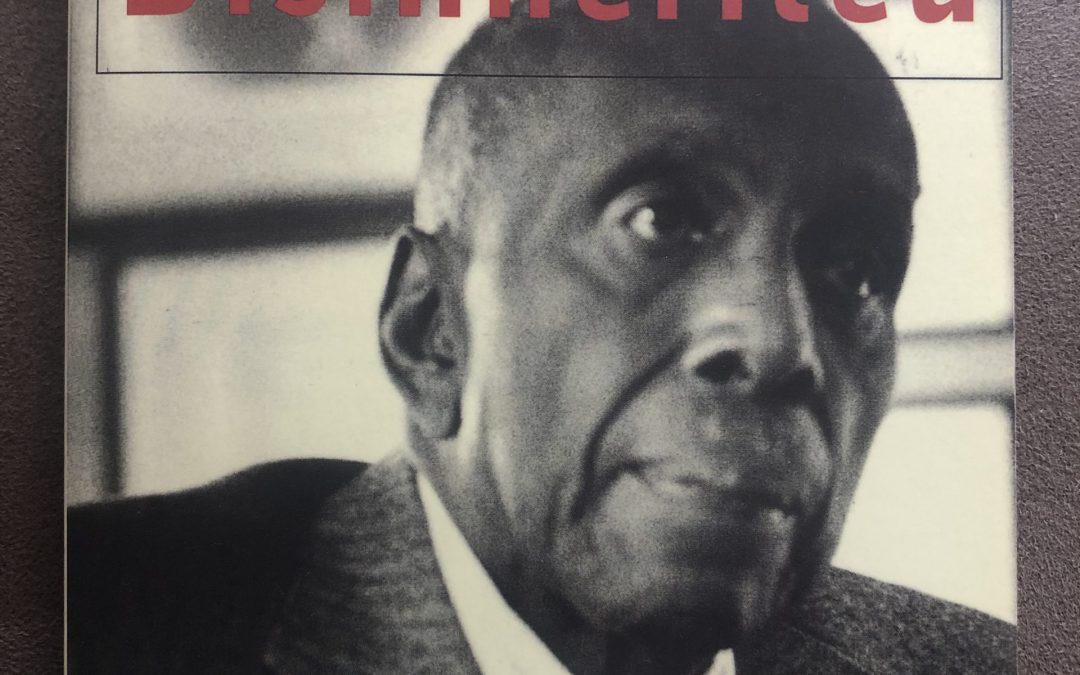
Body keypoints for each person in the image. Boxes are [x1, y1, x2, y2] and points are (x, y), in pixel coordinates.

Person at [68, 2, 1015, 673]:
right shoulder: (88, 622)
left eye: (855, 270)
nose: (781, 343)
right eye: (661, 221)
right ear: (433, 330)